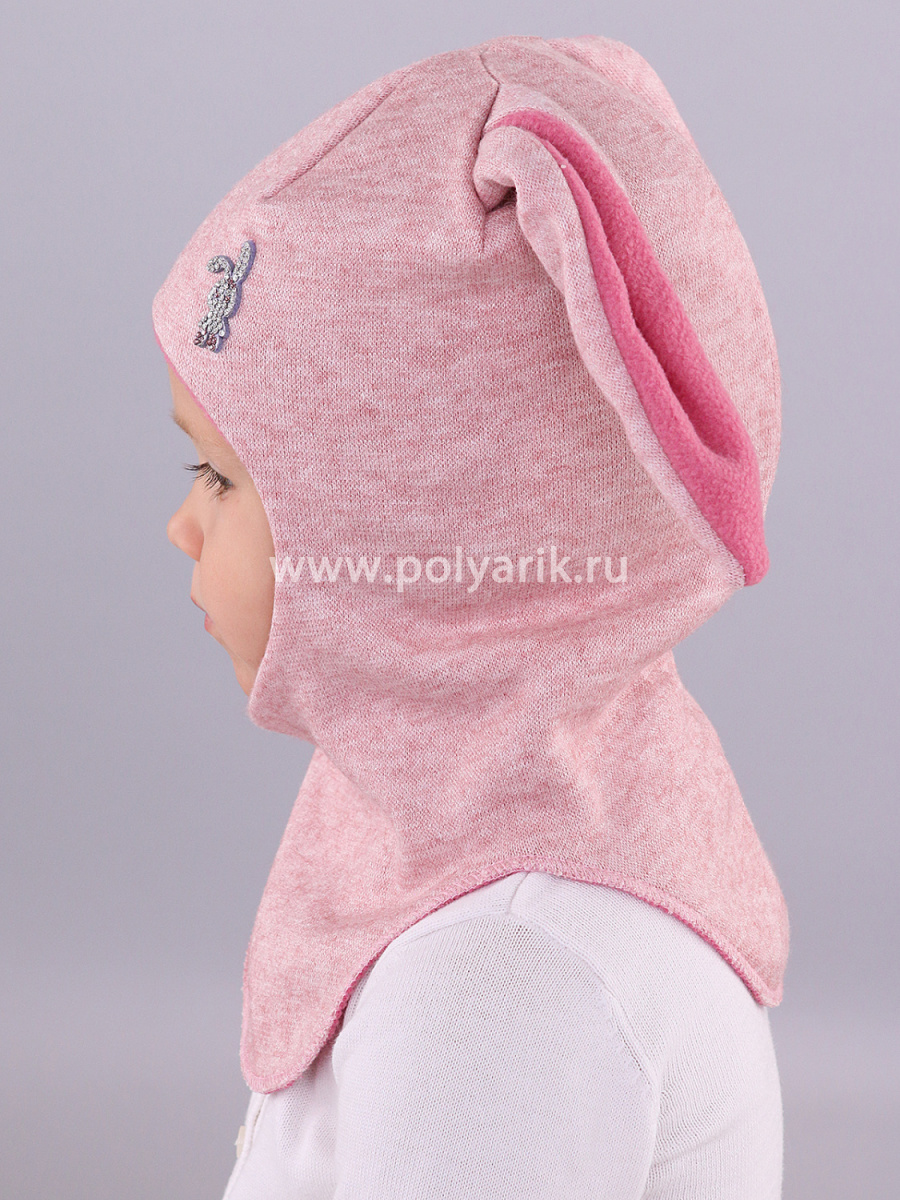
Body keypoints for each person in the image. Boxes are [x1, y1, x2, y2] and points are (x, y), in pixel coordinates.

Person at [158, 33, 787, 1199]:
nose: (180, 530)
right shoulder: (492, 832)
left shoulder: (501, 983)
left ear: (415, 551)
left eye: (220, 480)